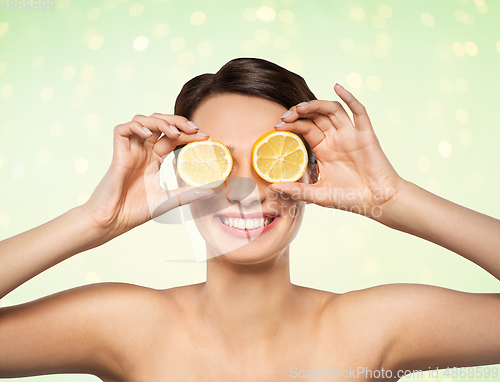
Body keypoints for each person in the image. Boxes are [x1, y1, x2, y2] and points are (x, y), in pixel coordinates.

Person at [1, 57, 499, 381]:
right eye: (216, 161)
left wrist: (392, 198)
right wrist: (94, 220)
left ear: (312, 173)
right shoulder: (127, 326)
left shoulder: (372, 328)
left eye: (270, 158)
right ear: (180, 178)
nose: (244, 190)